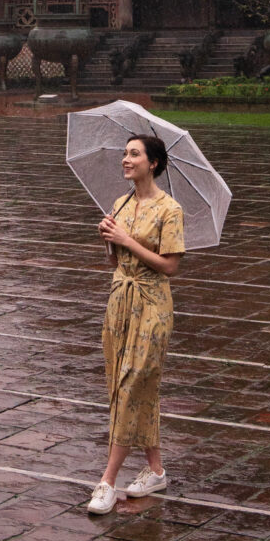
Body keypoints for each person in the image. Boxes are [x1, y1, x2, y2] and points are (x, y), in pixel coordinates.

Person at [88, 132, 185, 515]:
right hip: (119, 303)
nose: (125, 160)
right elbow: (115, 264)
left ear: (154, 163)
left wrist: (127, 240)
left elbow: (170, 266)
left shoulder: (170, 210)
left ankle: (107, 481)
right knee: (124, 384)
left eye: (134, 154)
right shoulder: (120, 202)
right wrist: (109, 241)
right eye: (124, 154)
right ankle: (156, 470)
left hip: (153, 305)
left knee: (132, 383)